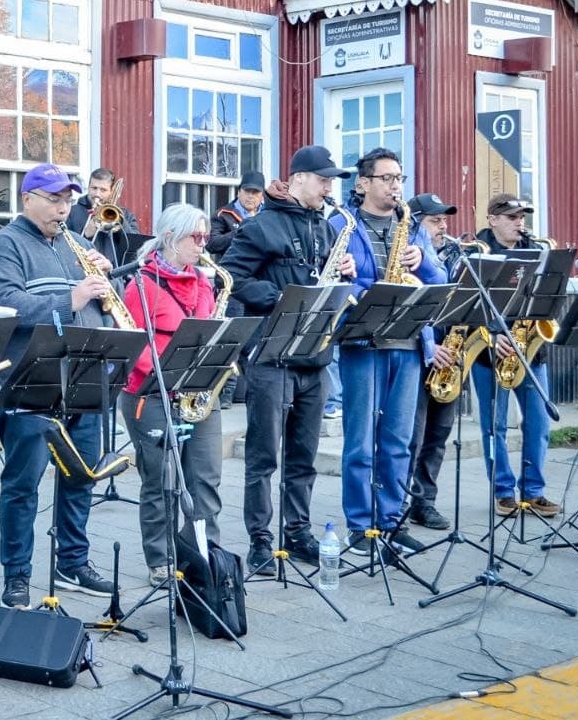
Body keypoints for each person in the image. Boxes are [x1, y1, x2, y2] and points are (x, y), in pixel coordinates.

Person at [0, 163, 118, 608]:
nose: (63, 208)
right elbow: (3, 303)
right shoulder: (5, 246)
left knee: (81, 476)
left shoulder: (77, 243)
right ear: (28, 199)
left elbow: (100, 307)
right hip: (29, 379)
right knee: (23, 484)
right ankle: (17, 574)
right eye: (54, 199)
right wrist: (72, 297)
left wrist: (105, 284)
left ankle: (72, 562)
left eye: (67, 201)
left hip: (83, 374)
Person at [222, 146, 354, 575]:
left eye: (331, 181)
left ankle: (297, 533)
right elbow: (232, 276)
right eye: (322, 179)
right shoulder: (262, 226)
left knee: (304, 456)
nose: (329, 187)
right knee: (263, 457)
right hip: (272, 355)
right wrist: (279, 299)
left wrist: (346, 272)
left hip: (315, 355)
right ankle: (261, 540)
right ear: (297, 178)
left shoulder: (329, 227)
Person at [329, 148, 447, 557]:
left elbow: (440, 278)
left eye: (399, 178)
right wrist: (369, 290)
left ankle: (392, 522)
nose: (396, 186)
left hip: (410, 342)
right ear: (363, 184)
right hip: (363, 340)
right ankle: (362, 526)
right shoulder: (341, 223)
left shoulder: (410, 226)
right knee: (360, 441)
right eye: (387, 178)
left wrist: (424, 263)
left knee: (399, 440)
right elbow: (335, 282)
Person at [118, 204, 223, 586]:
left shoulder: (205, 280)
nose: (202, 245)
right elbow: (132, 342)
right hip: (151, 394)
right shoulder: (141, 284)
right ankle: (160, 560)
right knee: (161, 482)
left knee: (205, 479)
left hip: (198, 394)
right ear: (168, 239)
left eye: (205, 237)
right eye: (195, 238)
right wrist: (168, 372)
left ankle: (204, 553)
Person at [471, 194, 561, 518]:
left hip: (532, 350)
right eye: (511, 216)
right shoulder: (476, 254)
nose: (519, 222)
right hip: (488, 354)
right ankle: (503, 491)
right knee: (495, 427)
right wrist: (491, 333)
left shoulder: (536, 250)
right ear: (492, 219)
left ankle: (534, 491)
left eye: (522, 216)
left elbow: (551, 298)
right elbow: (465, 307)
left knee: (538, 424)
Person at [405, 193, 462, 530]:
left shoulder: (455, 256)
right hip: (419, 351)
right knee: (413, 435)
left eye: (444, 220)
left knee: (439, 434)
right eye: (435, 220)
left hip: (450, 353)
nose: (443, 226)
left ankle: (425, 501)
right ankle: (401, 500)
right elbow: (414, 300)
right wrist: (429, 344)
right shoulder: (412, 253)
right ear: (416, 224)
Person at [65, 167, 140, 239]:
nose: (97, 194)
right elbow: (64, 244)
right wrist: (85, 234)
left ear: (111, 192)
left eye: (103, 190)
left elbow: (134, 244)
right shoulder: (71, 212)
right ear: (88, 188)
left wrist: (120, 221)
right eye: (94, 188)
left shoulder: (126, 215)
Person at [206, 170, 265, 257]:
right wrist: (242, 230)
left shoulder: (269, 215)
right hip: (232, 269)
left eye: (255, 192)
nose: (250, 196)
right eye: (247, 191)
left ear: (262, 196)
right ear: (239, 192)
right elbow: (211, 245)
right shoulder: (222, 215)